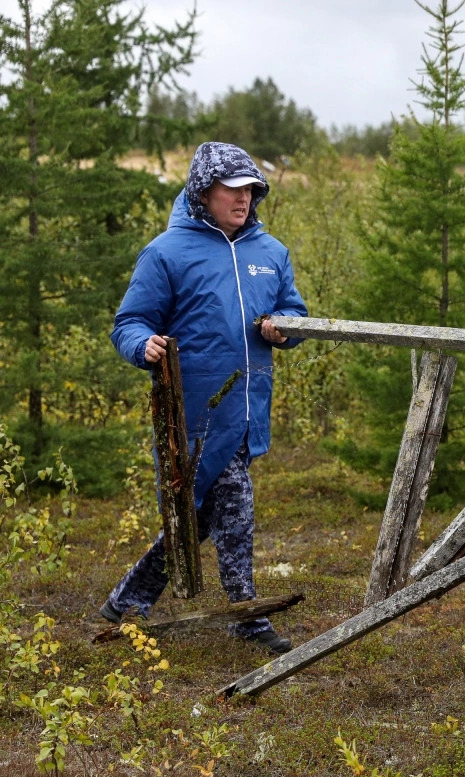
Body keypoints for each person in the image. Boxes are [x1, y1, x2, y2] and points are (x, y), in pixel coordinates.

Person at [100, 142, 308, 656]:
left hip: (248, 407)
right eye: (232, 188)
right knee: (233, 503)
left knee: (200, 516)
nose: (244, 198)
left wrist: (285, 329)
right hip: (190, 413)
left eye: (251, 189)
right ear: (202, 192)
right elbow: (129, 323)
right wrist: (141, 345)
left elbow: (296, 313)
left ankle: (128, 600)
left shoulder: (271, 252)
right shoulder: (167, 252)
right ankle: (248, 615)